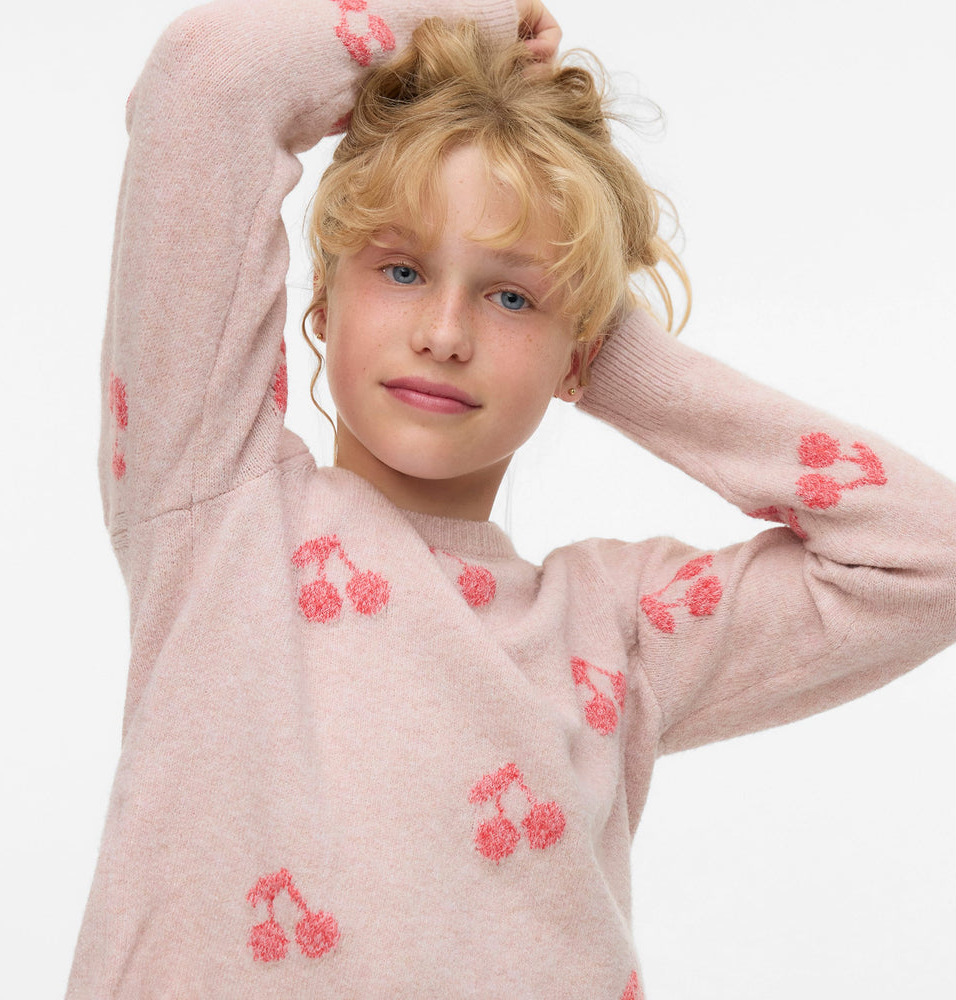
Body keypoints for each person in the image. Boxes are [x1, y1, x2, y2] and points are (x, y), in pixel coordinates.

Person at [67, 0, 956, 996]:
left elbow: (930, 558)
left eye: (510, 297)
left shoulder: (615, 636)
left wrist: (613, 357)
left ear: (577, 352)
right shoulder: (215, 510)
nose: (445, 333)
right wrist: (457, 23)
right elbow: (207, 76)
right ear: (321, 302)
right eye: (402, 269)